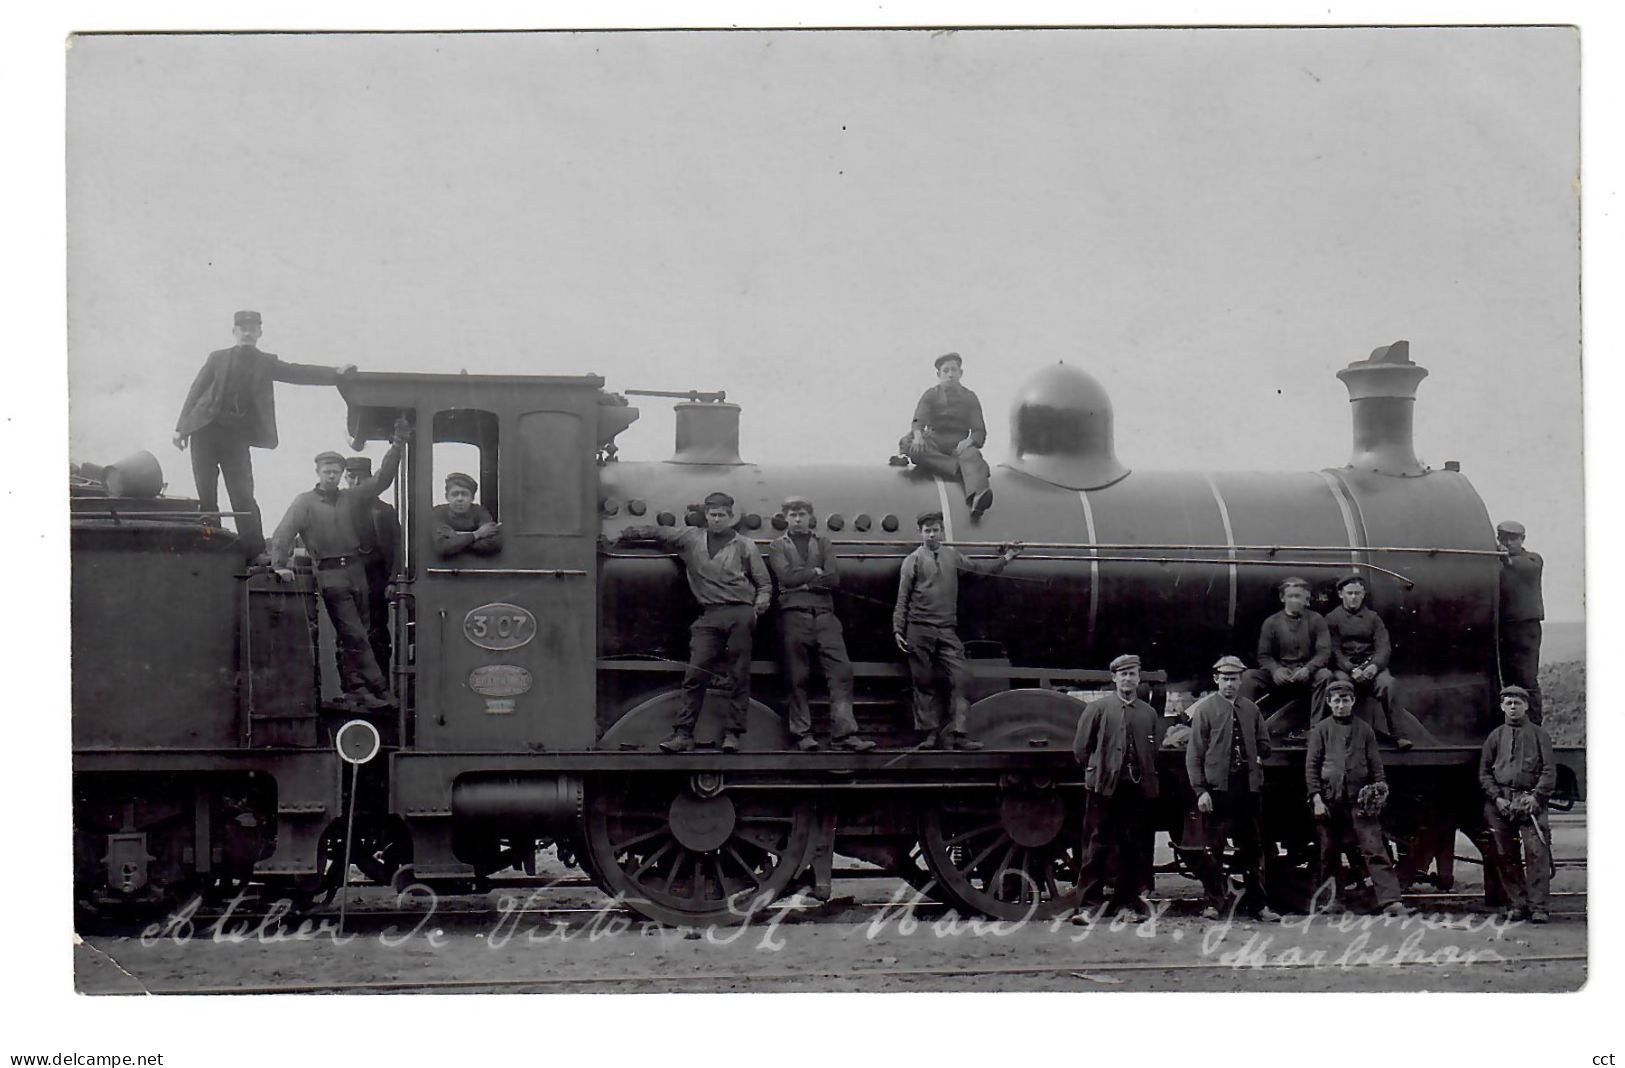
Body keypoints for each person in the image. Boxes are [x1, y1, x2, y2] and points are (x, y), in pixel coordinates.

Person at [173, 310, 356, 562]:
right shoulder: (217, 358)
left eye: (252, 328)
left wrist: (336, 373)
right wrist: (181, 428)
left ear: (259, 333)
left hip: (236, 436)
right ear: (234, 331)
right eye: (242, 328)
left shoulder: (265, 362)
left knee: (243, 493)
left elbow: (298, 373)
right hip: (205, 431)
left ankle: (255, 550)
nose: (247, 332)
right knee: (207, 493)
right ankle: (210, 544)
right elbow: (196, 390)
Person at [618, 491, 772, 753]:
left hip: (740, 613)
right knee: (695, 672)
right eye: (713, 515)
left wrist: (759, 606)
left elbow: (764, 582)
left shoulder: (745, 545)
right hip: (709, 614)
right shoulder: (691, 538)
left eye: (722, 515)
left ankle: (733, 733)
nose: (717, 519)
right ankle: (682, 733)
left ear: (730, 517)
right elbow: (659, 532)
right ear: (706, 516)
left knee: (739, 673)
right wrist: (627, 533)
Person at [269, 434, 405, 711]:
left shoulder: (351, 497)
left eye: (336, 472)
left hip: (357, 571)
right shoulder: (304, 502)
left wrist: (397, 447)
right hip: (330, 574)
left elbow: (381, 479)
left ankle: (358, 691)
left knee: (359, 634)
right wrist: (280, 565)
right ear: (318, 473)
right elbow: (283, 533)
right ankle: (379, 688)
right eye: (327, 471)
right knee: (354, 633)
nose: (332, 476)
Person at [892, 510, 1022, 750]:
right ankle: (929, 734)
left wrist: (1006, 558)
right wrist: (898, 630)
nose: (932, 534)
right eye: (927, 530)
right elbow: (902, 598)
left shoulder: (952, 556)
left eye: (935, 530)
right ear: (921, 533)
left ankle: (959, 733)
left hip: (946, 629)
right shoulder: (913, 561)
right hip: (918, 629)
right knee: (923, 681)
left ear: (941, 532)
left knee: (962, 678)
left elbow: (979, 569)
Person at [767, 496, 877, 752]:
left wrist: (803, 579)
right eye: (793, 514)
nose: (797, 518)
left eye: (802, 514)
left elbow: (833, 579)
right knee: (797, 675)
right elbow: (785, 576)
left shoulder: (824, 542)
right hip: (793, 615)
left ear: (809, 517)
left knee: (841, 672)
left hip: (825, 615)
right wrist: (814, 573)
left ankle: (844, 734)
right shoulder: (777, 546)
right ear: (786, 517)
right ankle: (802, 734)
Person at [1185, 655, 1280, 922]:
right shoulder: (1205, 710)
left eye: (1234, 679)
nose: (1229, 684)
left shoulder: (1251, 710)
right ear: (1216, 679)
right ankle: (1213, 903)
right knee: (1212, 848)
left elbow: (1265, 744)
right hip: (1218, 790)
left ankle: (1258, 906)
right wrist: (1200, 790)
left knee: (1253, 848)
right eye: (1225, 678)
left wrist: (1256, 756)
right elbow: (1194, 754)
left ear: (1241, 681)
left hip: (1247, 789)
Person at [1071, 654, 1163, 921]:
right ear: (1114, 678)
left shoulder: (1148, 713)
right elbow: (1081, 749)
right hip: (1103, 788)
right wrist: (1099, 769)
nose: (1127, 679)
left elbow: (1152, 749)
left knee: (1132, 846)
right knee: (1096, 844)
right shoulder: (1098, 709)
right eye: (1122, 674)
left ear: (1139, 678)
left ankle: (1127, 904)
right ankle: (1089, 905)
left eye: (1132, 674)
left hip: (1136, 789)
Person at [1306, 679, 1410, 916]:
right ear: (1329, 703)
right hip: (1330, 800)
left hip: (1360, 801)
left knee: (1374, 848)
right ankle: (1333, 901)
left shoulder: (1364, 730)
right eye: (1336, 701)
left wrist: (1380, 788)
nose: (1341, 705)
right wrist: (1317, 799)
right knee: (1328, 852)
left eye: (1345, 700)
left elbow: (1376, 765)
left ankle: (1391, 901)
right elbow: (1311, 767)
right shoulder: (1321, 730)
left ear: (1352, 702)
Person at [1478, 685, 1556, 923]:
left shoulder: (1539, 735)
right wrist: (1497, 798)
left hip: (1530, 801)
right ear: (1502, 706)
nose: (1513, 707)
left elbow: (1549, 770)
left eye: (1517, 703)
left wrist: (1536, 798)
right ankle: (1517, 904)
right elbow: (1484, 773)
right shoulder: (1495, 737)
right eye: (1509, 703)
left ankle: (1538, 907)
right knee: (1505, 855)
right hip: (1501, 804)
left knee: (1536, 854)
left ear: (1526, 706)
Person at [895, 352, 996, 518]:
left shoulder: (970, 397)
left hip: (959, 443)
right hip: (934, 439)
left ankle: (977, 497)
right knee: (908, 443)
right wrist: (919, 436)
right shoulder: (930, 394)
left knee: (973, 455)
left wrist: (969, 441)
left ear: (960, 373)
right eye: (946, 370)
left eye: (954, 370)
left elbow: (980, 431)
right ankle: (957, 469)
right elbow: (919, 420)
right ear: (938, 374)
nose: (950, 374)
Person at [1323, 574, 1414, 749]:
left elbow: (1383, 646)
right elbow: (1334, 650)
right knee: (1341, 686)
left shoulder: (1373, 618)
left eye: (1357, 593)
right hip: (1346, 667)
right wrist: (1351, 669)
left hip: (1371, 666)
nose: (1353, 597)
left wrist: (1374, 666)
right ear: (1341, 594)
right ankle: (1342, 735)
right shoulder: (1332, 619)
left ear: (1363, 594)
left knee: (1389, 684)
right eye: (1349, 593)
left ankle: (1399, 735)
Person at [1240, 577, 1333, 736]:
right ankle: (1243, 727)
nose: (1294, 600)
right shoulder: (1271, 622)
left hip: (1305, 675)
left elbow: (1323, 652)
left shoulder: (1317, 620)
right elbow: (1264, 655)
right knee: (1248, 676)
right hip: (1279, 676)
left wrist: (1308, 669)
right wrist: (1275, 670)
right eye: (1290, 596)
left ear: (1306, 599)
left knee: (1325, 675)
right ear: (1282, 598)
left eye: (1298, 596)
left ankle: (1315, 729)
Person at [345, 456, 402, 677]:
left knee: (377, 632)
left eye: (361, 477)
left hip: (377, 577)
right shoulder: (340, 506)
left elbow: (398, 545)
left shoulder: (385, 510)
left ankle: (381, 683)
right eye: (351, 477)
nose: (356, 483)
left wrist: (393, 579)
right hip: (349, 574)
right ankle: (353, 688)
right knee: (349, 633)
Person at [1497, 521, 1545, 723]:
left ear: (1522, 539)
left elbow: (1523, 567)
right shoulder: (1500, 563)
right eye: (1504, 538)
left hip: (1526, 628)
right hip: (1504, 628)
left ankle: (1534, 724)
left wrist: (1502, 556)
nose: (1509, 543)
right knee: (1509, 679)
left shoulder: (1533, 559)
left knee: (1527, 678)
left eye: (1513, 538)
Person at [432, 473, 503, 557]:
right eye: (455, 494)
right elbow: (443, 547)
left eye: (464, 494)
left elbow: (493, 544)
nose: (460, 499)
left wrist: (455, 537)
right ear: (447, 497)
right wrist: (477, 534)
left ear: (472, 498)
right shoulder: (438, 512)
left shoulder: (480, 511)